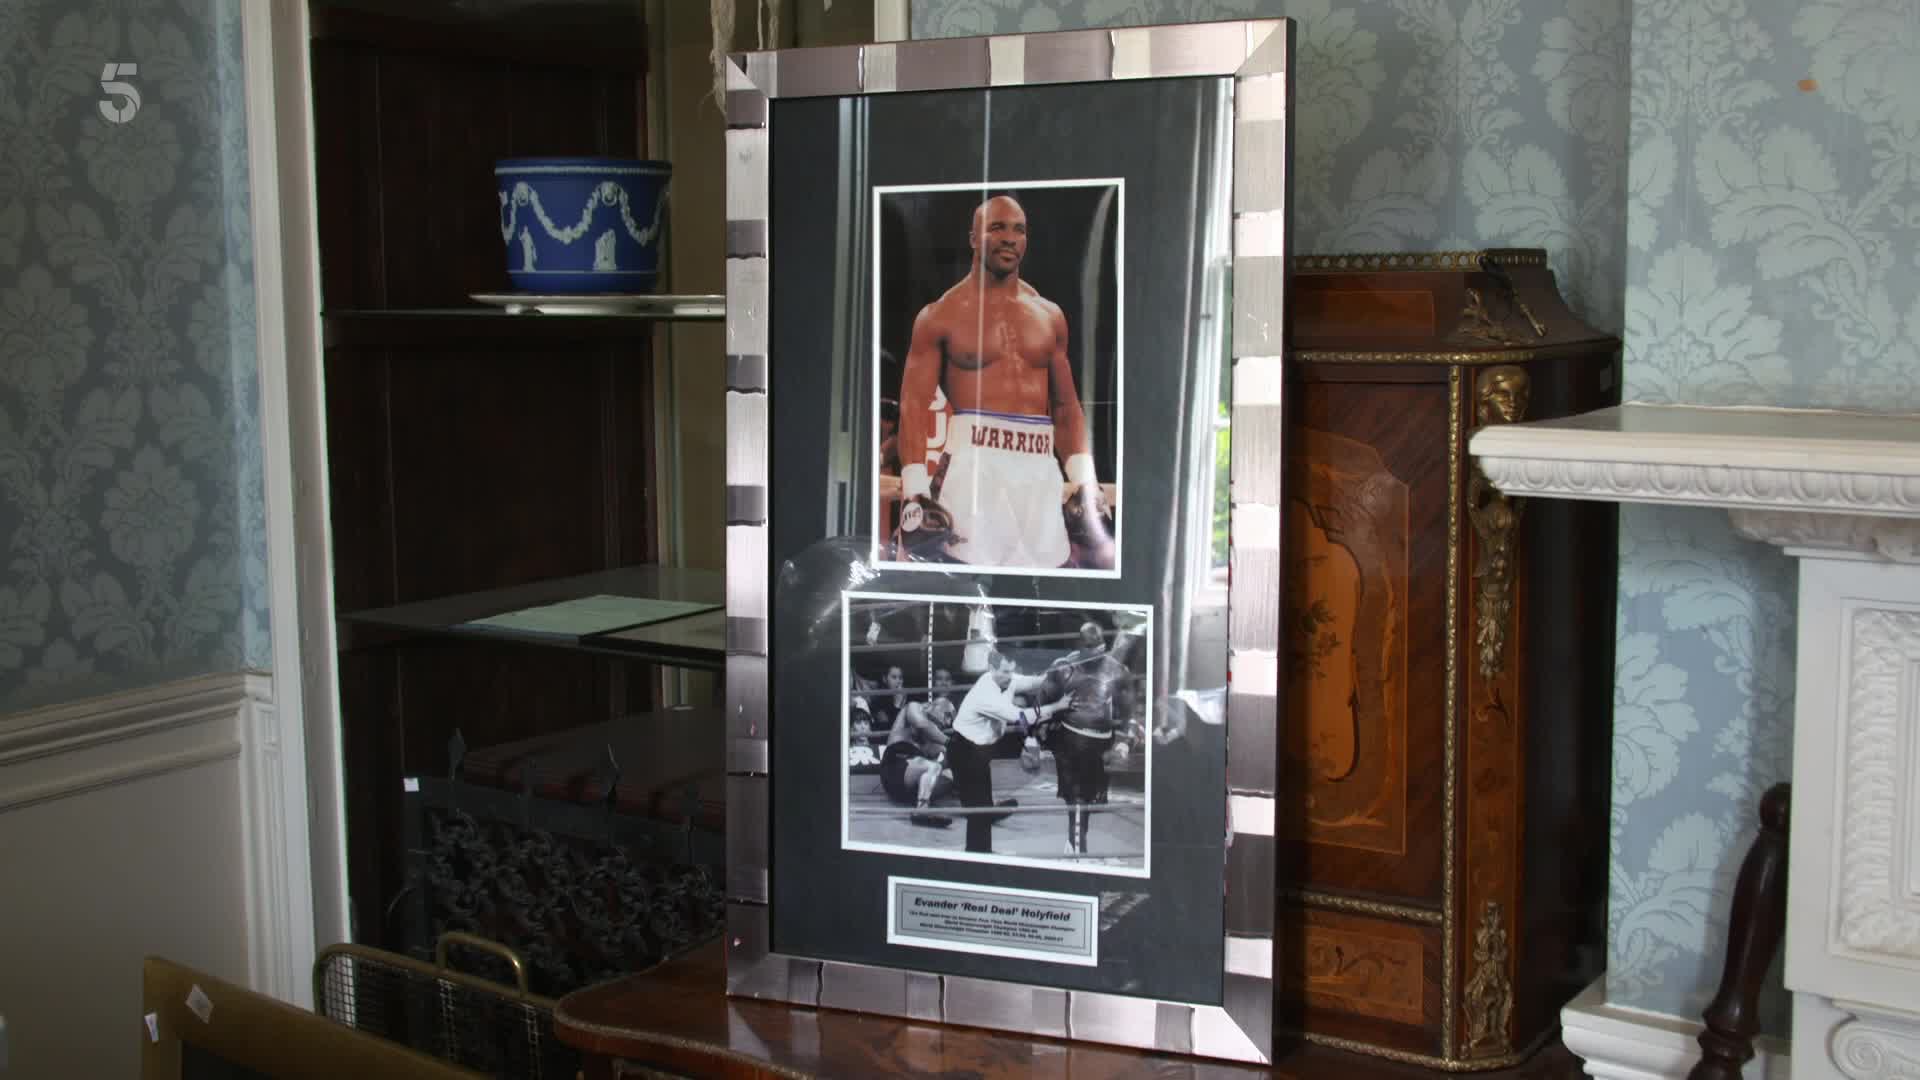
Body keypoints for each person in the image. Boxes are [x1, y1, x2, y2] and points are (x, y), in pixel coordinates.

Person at [893, 194, 1112, 569]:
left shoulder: (1049, 315)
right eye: (996, 228)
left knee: (1045, 584)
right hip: (972, 471)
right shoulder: (940, 316)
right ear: (973, 238)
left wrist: (1082, 478)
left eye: (1018, 230)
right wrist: (914, 492)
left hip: (1038, 470)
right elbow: (914, 406)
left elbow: (1065, 407)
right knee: (966, 582)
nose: (1009, 238)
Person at [948, 650, 1073, 854]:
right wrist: (1057, 706)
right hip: (963, 751)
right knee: (978, 809)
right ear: (991, 669)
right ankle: (978, 854)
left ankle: (981, 849)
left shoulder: (1006, 679)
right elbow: (1021, 716)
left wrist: (1054, 671)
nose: (1010, 676)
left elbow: (1032, 682)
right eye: (1005, 671)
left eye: (1011, 671)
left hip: (979, 750)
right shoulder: (986, 694)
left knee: (981, 806)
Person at [1035, 621, 1139, 855]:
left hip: (1100, 743)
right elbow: (1040, 703)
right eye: (1089, 650)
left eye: (1098, 650)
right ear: (1080, 647)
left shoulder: (1117, 671)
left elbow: (1129, 713)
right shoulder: (1062, 668)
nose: (1094, 656)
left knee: (1089, 800)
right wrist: (1032, 739)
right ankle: (1077, 846)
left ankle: (1076, 839)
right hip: (1068, 741)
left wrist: (1125, 742)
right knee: (1076, 797)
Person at [878, 699, 956, 828]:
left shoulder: (934, 739)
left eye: (950, 720)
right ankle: (921, 810)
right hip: (894, 766)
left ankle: (976, 806)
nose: (948, 722)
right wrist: (950, 743)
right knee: (933, 766)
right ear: (936, 706)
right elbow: (921, 724)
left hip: (910, 789)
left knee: (954, 774)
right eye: (947, 715)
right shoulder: (913, 708)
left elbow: (947, 756)